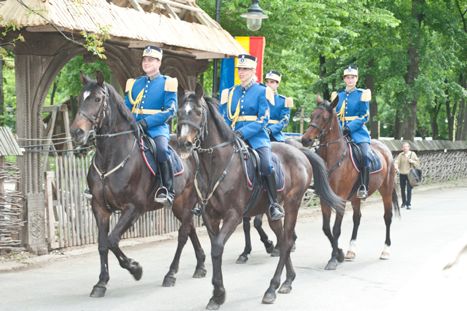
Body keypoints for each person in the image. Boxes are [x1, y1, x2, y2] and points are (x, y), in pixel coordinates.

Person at [219, 54, 284, 221]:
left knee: (266, 164)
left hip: (256, 137)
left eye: (245, 69)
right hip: (233, 136)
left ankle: (273, 203)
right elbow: (225, 116)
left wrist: (243, 132)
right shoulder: (231, 92)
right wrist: (227, 132)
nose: (241, 72)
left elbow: (263, 119)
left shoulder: (263, 91)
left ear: (253, 70)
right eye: (239, 69)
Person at [124, 45, 178, 207]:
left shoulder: (167, 82)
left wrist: (147, 122)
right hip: (133, 127)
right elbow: (126, 107)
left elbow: (171, 110)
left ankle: (167, 189)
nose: (146, 63)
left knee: (161, 150)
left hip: (156, 128)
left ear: (159, 62)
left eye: (150, 60)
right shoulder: (134, 83)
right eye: (144, 60)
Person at [331, 65, 372, 199]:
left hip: (358, 132)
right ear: (344, 79)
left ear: (357, 79)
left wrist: (349, 127)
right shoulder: (339, 96)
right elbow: (333, 115)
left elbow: (365, 116)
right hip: (340, 132)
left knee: (365, 155)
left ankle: (363, 186)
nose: (350, 80)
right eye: (347, 78)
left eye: (352, 77)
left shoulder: (362, 94)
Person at [264, 70, 293, 142]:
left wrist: (270, 130)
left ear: (277, 84)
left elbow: (284, 121)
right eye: (267, 82)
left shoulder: (284, 101)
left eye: (272, 82)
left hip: (274, 135)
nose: (268, 84)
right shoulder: (258, 98)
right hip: (257, 132)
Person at [395, 142, 420, 209]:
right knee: (402, 189)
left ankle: (408, 204)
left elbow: (418, 164)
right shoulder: (401, 155)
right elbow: (397, 162)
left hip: (410, 174)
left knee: (409, 189)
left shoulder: (413, 154)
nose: (405, 148)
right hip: (402, 174)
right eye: (404, 147)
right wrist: (396, 167)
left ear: (409, 147)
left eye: (406, 147)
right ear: (402, 148)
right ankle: (404, 202)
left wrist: (413, 161)